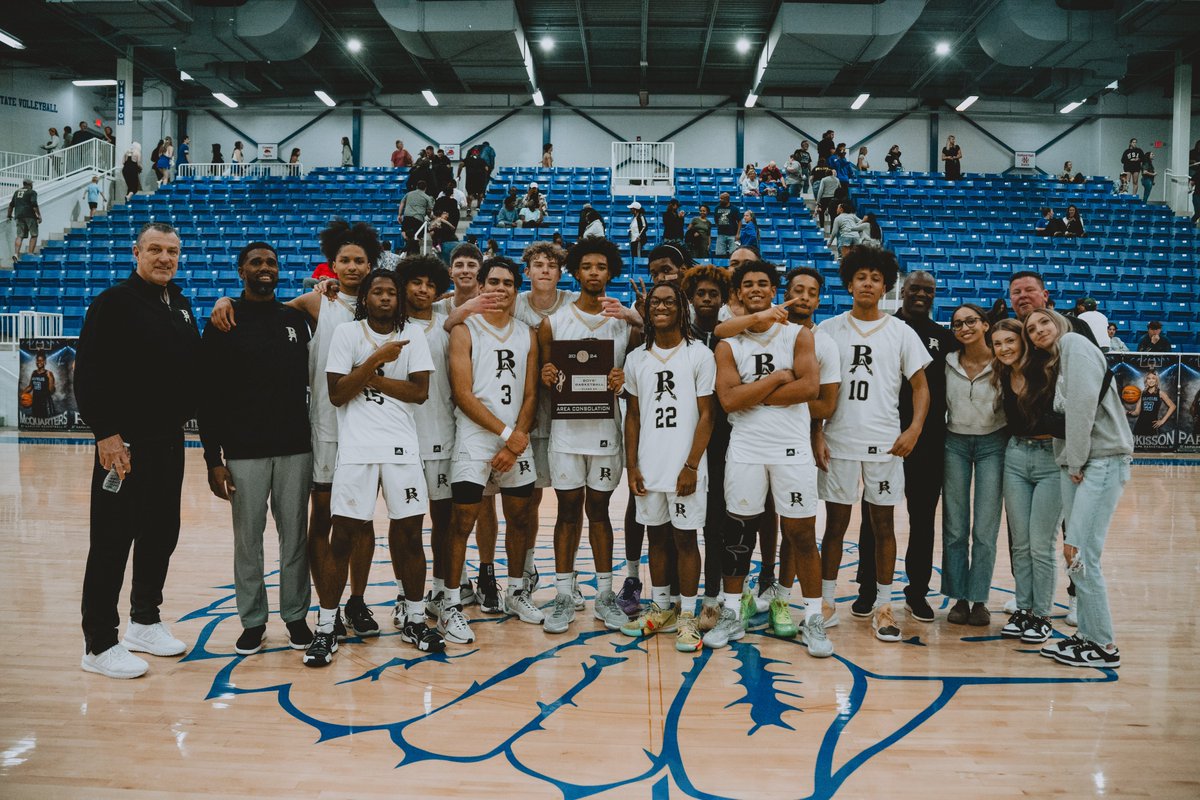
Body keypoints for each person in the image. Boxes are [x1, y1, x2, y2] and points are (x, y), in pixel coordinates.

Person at [211, 219, 385, 645]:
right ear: (332, 265)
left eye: (359, 260)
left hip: (357, 431)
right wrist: (223, 300)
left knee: (360, 522)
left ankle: (342, 605)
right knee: (294, 529)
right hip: (315, 432)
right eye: (344, 259)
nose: (352, 266)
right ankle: (269, 619)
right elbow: (258, 309)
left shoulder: (384, 304)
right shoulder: (309, 304)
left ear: (370, 264)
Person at [74, 222, 200, 679]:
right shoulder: (113, 303)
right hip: (123, 445)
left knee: (161, 533)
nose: (165, 258)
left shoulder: (180, 305)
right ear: (136, 252)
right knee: (111, 541)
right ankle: (99, 642)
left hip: (168, 441)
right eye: (155, 250)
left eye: (172, 251)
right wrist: (106, 434)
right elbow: (86, 374)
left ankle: (144, 622)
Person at [307, 269, 434, 666]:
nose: (384, 298)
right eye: (376, 292)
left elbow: (419, 392)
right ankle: (327, 627)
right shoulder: (347, 334)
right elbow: (337, 393)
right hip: (357, 450)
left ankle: (414, 618)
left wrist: (370, 378)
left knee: (411, 534)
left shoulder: (414, 334)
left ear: (399, 298)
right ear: (364, 297)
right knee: (342, 536)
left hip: (401, 450)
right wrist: (378, 360)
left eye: (391, 292)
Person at [707, 260, 829, 655]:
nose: (756, 288)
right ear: (738, 294)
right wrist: (776, 379)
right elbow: (728, 400)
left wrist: (750, 393)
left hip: (791, 450)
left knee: (802, 535)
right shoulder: (728, 343)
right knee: (737, 535)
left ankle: (812, 619)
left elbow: (810, 388)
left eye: (764, 283)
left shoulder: (797, 335)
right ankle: (730, 613)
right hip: (745, 450)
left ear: (774, 290)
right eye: (748, 284)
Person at [199, 242, 314, 656]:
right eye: (256, 263)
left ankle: (297, 617)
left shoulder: (295, 319)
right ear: (240, 270)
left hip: (296, 447)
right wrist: (214, 459)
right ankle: (252, 621)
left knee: (294, 538)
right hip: (243, 451)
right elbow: (206, 397)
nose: (265, 268)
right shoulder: (223, 321)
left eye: (271, 263)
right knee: (247, 541)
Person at [816, 248, 931, 643]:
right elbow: (816, 389)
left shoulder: (901, 332)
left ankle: (884, 604)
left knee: (884, 525)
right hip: (839, 441)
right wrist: (816, 432)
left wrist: (914, 428)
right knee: (835, 525)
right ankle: (826, 602)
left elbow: (920, 387)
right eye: (860, 276)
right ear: (849, 284)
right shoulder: (827, 329)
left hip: (885, 444)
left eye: (875, 278)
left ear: (886, 286)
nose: (867, 283)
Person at [439, 257, 542, 645]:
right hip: (476, 438)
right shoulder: (465, 330)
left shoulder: (527, 334)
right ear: (480, 286)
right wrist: (506, 434)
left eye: (509, 283)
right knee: (461, 522)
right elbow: (463, 394)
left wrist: (517, 437)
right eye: (493, 282)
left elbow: (531, 394)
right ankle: (450, 604)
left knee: (520, 516)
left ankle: (516, 592)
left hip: (515, 439)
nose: (500, 289)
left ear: (518, 290)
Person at [538, 237, 637, 634]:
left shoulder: (622, 320)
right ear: (575, 272)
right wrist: (546, 374)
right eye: (587, 267)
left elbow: (640, 369)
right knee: (566, 512)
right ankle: (563, 594)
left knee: (599, 512)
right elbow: (544, 372)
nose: (594, 273)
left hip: (605, 432)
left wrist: (622, 376)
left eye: (601, 266)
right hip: (565, 432)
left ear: (610, 272)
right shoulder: (555, 320)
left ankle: (604, 594)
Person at [1029, 308, 1132, 668]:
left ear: (1061, 323)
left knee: (1082, 553)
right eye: (1032, 328)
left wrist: (1075, 460)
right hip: (1082, 463)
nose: (1038, 329)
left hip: (1098, 461)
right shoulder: (1059, 360)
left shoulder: (1074, 343)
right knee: (1076, 555)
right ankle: (1087, 635)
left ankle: (1104, 645)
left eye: (1045, 321)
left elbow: (1083, 408)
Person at [853, 269, 955, 623]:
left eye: (929, 290)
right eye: (915, 289)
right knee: (875, 518)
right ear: (902, 290)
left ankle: (917, 592)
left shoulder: (944, 338)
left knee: (922, 519)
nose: (922, 295)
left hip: (927, 442)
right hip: (882, 440)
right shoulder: (883, 329)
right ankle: (868, 589)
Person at [620, 281, 715, 652]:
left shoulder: (699, 355)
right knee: (656, 538)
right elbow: (633, 417)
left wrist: (691, 465)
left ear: (681, 309)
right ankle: (662, 608)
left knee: (686, 539)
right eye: (655, 302)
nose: (661, 307)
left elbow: (708, 415)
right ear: (647, 311)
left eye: (668, 302)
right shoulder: (635, 360)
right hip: (649, 465)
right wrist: (632, 466)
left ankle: (688, 616)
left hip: (685, 468)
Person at [991, 316, 1062, 645]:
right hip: (1016, 456)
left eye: (1010, 341)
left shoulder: (1047, 369)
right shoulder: (1003, 374)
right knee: (1020, 543)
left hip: (1051, 457)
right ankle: (1023, 609)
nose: (1004, 348)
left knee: (1041, 545)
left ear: (1023, 342)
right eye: (998, 343)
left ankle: (1042, 615)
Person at [941, 304, 1006, 626]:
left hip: (993, 443)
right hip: (954, 442)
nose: (964, 328)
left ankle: (979, 599)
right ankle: (958, 598)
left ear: (985, 325)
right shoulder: (947, 362)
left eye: (970, 322)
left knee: (984, 528)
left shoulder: (1002, 361)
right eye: (957, 324)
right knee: (954, 527)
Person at [1129, 368, 1176, 439]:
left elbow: (1173, 406)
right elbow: (1137, 412)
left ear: (1156, 380)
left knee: (1151, 449)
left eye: (1153, 378)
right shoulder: (1142, 393)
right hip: (1140, 425)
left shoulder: (1160, 393)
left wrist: (1162, 421)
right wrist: (1129, 413)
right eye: (1149, 378)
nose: (1151, 381)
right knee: (1138, 449)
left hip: (1152, 425)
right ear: (1146, 380)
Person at [8, 178, 42, 259]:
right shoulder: (32, 192)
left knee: (19, 236)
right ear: (29, 184)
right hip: (30, 215)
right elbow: (34, 204)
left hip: (19, 216)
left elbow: (11, 205)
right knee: (34, 235)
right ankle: (30, 253)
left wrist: (9, 215)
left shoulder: (17, 192)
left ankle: (16, 254)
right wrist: (39, 215)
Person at [398, 180, 434, 254]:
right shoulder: (427, 197)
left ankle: (408, 245)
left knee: (404, 232)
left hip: (407, 217)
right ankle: (413, 249)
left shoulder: (409, 194)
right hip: (418, 218)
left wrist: (399, 214)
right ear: (425, 188)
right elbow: (429, 210)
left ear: (417, 186)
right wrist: (429, 216)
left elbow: (402, 202)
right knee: (418, 236)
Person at [23, 352, 57, 418]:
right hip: (35, 401)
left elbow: (52, 391)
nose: (39, 362)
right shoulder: (34, 373)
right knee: (36, 420)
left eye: (41, 360)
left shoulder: (49, 373)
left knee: (46, 421)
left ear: (45, 361)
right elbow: (30, 386)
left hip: (45, 402)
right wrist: (22, 393)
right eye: (37, 360)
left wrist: (50, 379)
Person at [458, 147, 489, 218]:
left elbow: (460, 165)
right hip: (480, 179)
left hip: (470, 179)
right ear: (478, 153)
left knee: (470, 194)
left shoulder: (467, 159)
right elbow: (486, 169)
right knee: (480, 194)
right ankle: (478, 206)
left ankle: (469, 208)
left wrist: (458, 175)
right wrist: (485, 177)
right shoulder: (482, 160)